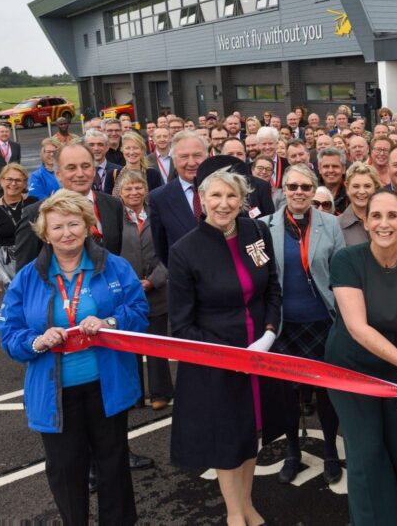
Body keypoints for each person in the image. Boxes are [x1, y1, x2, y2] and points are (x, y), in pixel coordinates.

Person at [0, 189, 148, 525]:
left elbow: (139, 312)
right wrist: (37, 341)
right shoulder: (27, 278)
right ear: (45, 234)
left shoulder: (115, 267)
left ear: (87, 225)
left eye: (73, 224)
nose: (67, 233)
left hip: (107, 386)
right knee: (66, 471)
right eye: (57, 227)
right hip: (55, 394)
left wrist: (110, 323)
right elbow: (9, 334)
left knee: (114, 466)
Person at [167, 166, 285, 526]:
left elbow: (272, 288)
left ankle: (247, 503)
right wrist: (229, 354)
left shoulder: (257, 231)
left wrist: (269, 333)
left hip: (259, 354)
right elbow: (181, 324)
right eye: (215, 195)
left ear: (242, 199)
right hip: (217, 362)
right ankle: (234, 513)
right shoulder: (185, 251)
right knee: (228, 441)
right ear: (201, 199)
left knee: (252, 434)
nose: (224, 203)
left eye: (231, 195)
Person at [326, 190, 397, 526]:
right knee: (368, 452)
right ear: (365, 221)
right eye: (376, 216)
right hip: (351, 367)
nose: (383, 223)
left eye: (392, 216)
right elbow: (358, 328)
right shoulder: (347, 261)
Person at [260, 164, 346, 485]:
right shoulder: (263, 226)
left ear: (313, 190)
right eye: (292, 186)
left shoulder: (331, 224)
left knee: (326, 393)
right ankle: (292, 452)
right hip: (283, 324)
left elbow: (341, 272)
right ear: (282, 189)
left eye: (306, 187)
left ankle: (330, 452)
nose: (299, 192)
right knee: (286, 394)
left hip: (322, 321)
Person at [15, 142, 126, 269]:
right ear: (58, 174)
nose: (80, 173)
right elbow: (25, 269)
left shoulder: (113, 205)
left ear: (94, 170)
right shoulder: (35, 214)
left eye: (85, 166)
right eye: (71, 168)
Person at [115, 170, 172, 412]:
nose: (134, 192)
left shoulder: (157, 214)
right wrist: (128, 283)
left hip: (157, 291)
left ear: (146, 190)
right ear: (120, 192)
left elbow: (169, 250)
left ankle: (161, 392)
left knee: (157, 345)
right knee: (130, 347)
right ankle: (134, 394)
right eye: (128, 188)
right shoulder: (114, 217)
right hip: (125, 293)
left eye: (138, 187)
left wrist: (152, 280)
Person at [148, 131, 207, 266]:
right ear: (174, 161)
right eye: (184, 157)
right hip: (184, 274)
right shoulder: (159, 198)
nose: (191, 163)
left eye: (197, 155)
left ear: (206, 156)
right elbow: (162, 248)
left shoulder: (224, 190)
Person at [0, 164, 39, 297]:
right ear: (1, 181)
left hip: (34, 258)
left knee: (37, 298)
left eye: (18, 180)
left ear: (25, 183)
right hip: (8, 264)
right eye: (9, 179)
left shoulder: (35, 204)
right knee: (16, 299)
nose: (13, 184)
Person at [338, 162, 380, 246]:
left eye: (367, 186)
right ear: (347, 188)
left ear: (375, 188)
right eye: (356, 186)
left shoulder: (387, 220)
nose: (362, 191)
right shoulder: (336, 225)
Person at [85, 128, 122, 193]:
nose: (96, 148)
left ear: (107, 147)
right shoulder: (80, 172)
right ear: (85, 148)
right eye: (91, 145)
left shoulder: (119, 171)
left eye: (100, 144)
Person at [317, 146, 349, 214]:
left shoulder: (351, 192)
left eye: (335, 166)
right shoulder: (311, 191)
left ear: (343, 169)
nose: (330, 170)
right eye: (326, 166)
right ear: (319, 169)